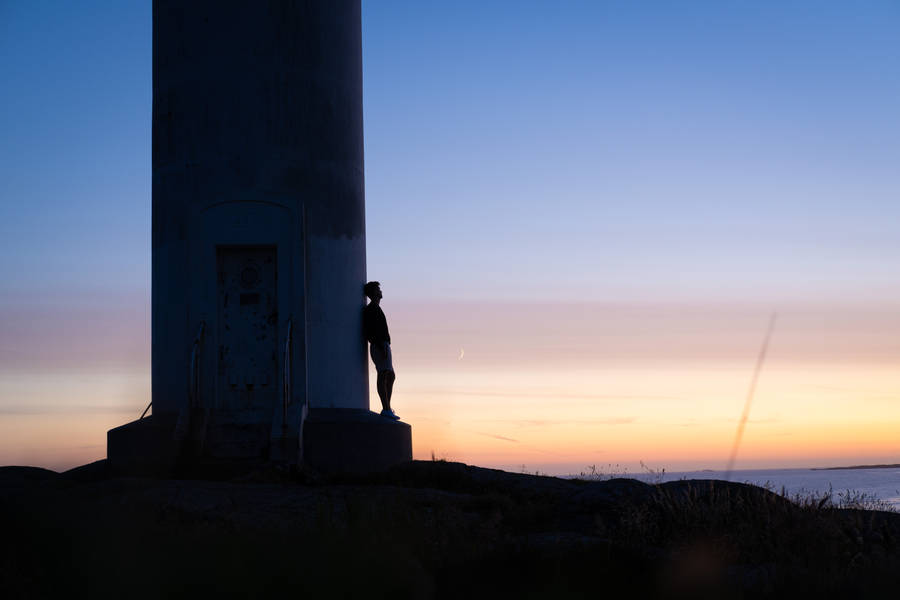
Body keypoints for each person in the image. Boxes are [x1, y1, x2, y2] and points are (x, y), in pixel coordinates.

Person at [363, 281, 399, 420]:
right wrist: (379, 345)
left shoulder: (375, 308)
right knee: (384, 374)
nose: (380, 291)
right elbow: (370, 331)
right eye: (378, 289)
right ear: (373, 293)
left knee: (390, 375)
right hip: (380, 345)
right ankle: (386, 408)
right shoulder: (371, 309)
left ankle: (387, 407)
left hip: (383, 344)